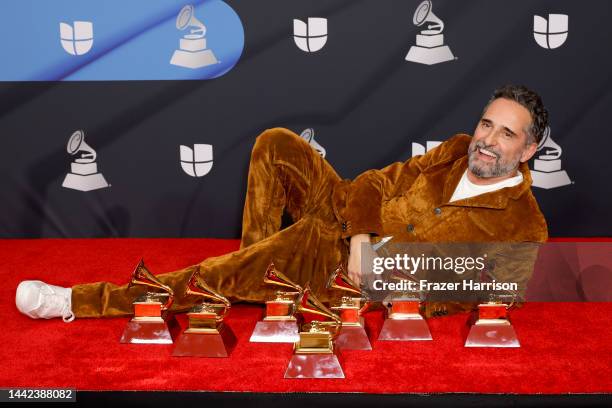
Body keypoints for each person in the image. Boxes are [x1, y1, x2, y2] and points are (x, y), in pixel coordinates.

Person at [15, 84, 549, 322]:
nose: (486, 139)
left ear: (529, 149)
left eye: (506, 134)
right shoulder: (455, 151)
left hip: (342, 265)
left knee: (212, 275)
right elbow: (374, 183)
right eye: (486, 123)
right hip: (343, 213)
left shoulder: (525, 228)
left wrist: (387, 277)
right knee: (275, 142)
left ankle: (77, 302)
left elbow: (485, 290)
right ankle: (259, 275)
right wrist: (363, 237)